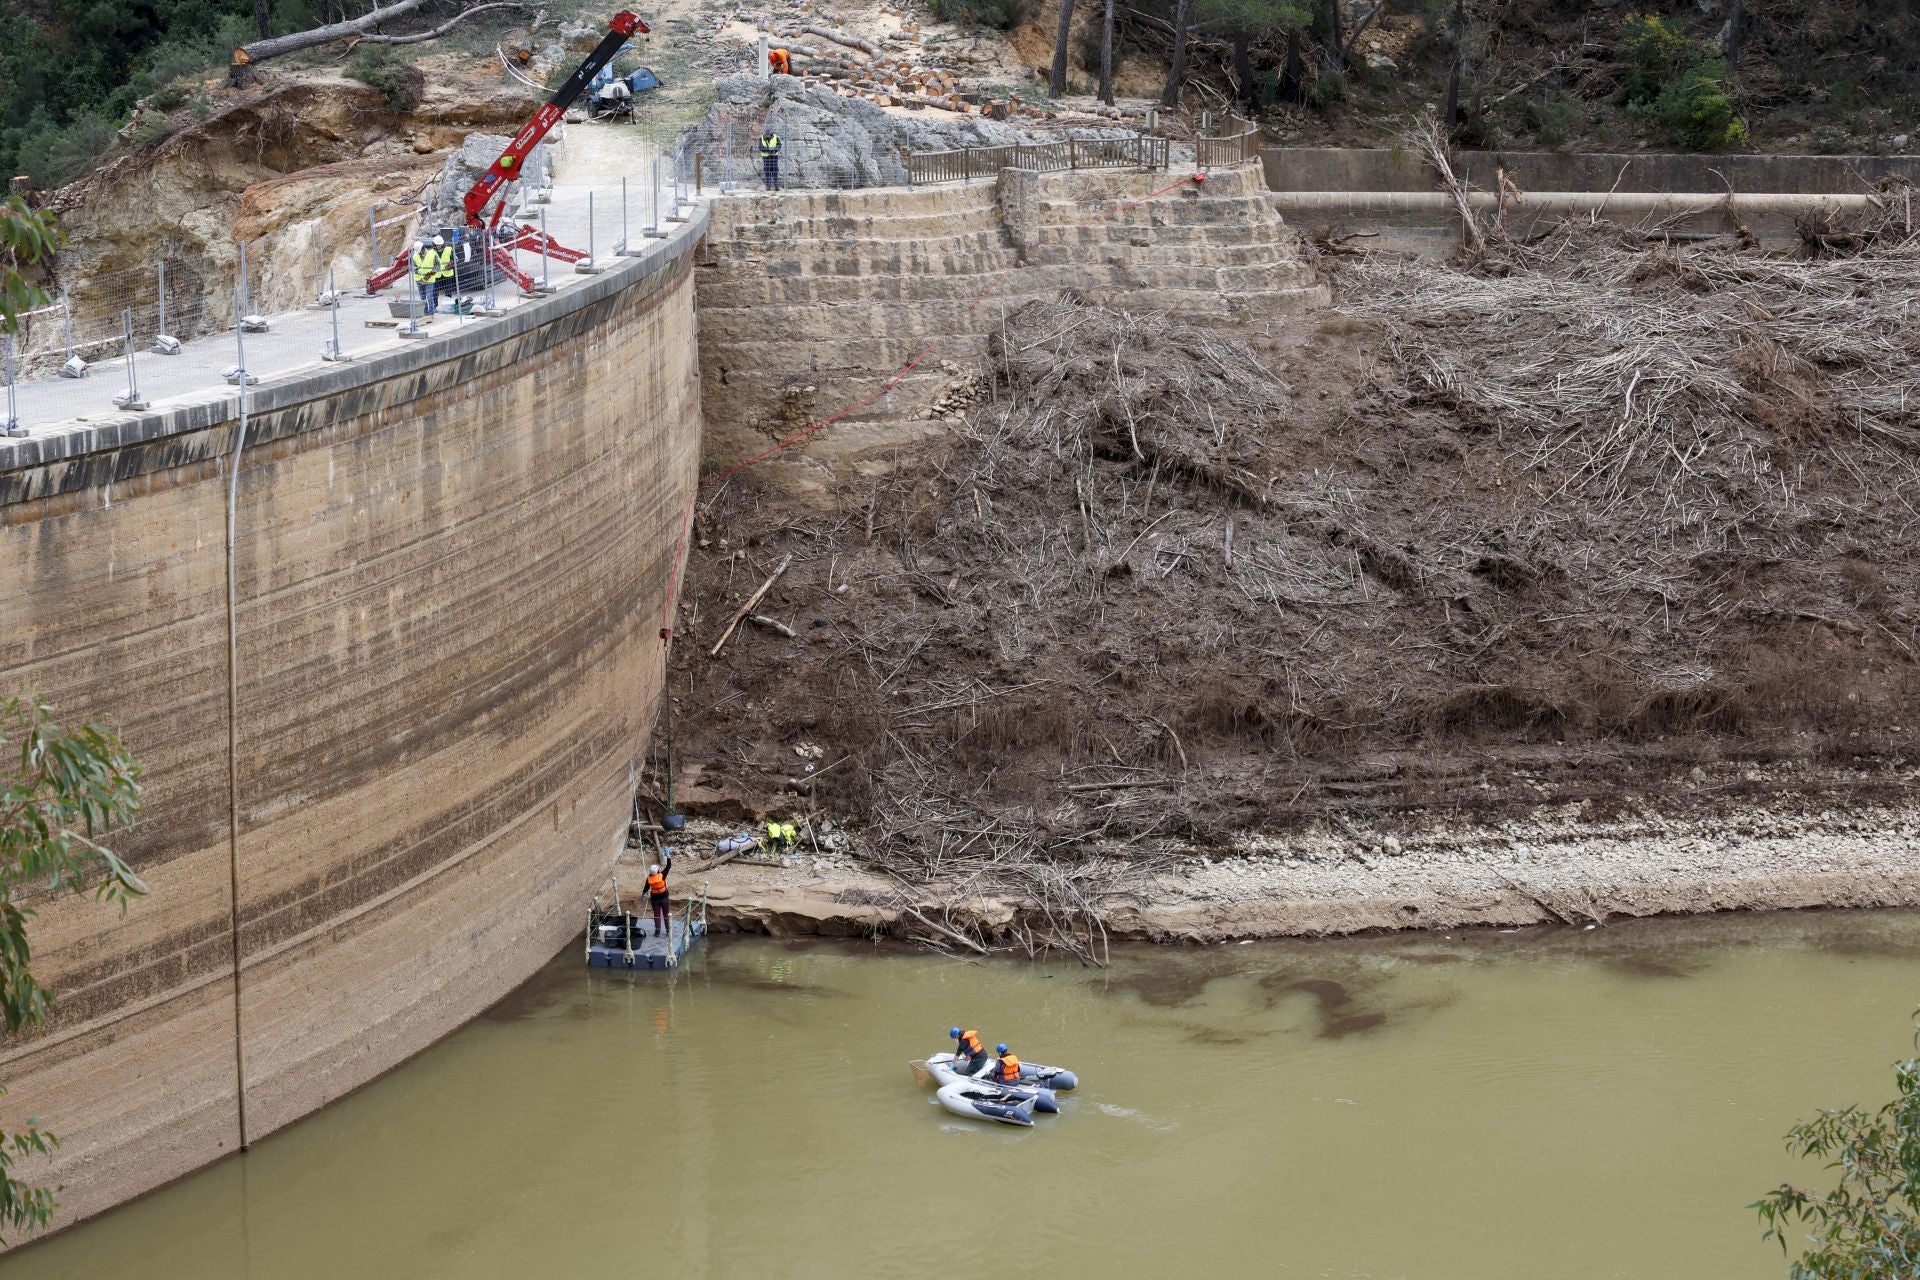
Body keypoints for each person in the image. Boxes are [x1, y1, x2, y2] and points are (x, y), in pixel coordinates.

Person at [646, 855, 671, 937]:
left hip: (655, 900)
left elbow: (646, 888)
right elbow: (668, 866)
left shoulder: (649, 879)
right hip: (664, 898)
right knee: (666, 915)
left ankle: (657, 932)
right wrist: (668, 857)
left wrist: (643, 894)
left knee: (657, 915)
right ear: (657, 871)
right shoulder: (662, 875)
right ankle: (668, 931)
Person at [410, 239, 436, 315]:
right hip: (419, 280)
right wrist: (415, 269)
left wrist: (430, 274)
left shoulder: (432, 254)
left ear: (423, 248)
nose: (419, 254)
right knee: (422, 297)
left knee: (429, 296)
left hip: (429, 280)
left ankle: (431, 312)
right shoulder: (415, 255)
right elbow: (412, 266)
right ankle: (425, 312)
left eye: (420, 252)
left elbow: (438, 266)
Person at [431, 234, 454, 311]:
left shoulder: (449, 249)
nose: (439, 246)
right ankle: (434, 306)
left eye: (440, 245)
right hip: (437, 275)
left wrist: (452, 264)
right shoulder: (431, 252)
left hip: (447, 274)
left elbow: (455, 259)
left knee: (448, 291)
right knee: (434, 291)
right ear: (434, 244)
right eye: (437, 245)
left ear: (443, 244)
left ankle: (449, 305)